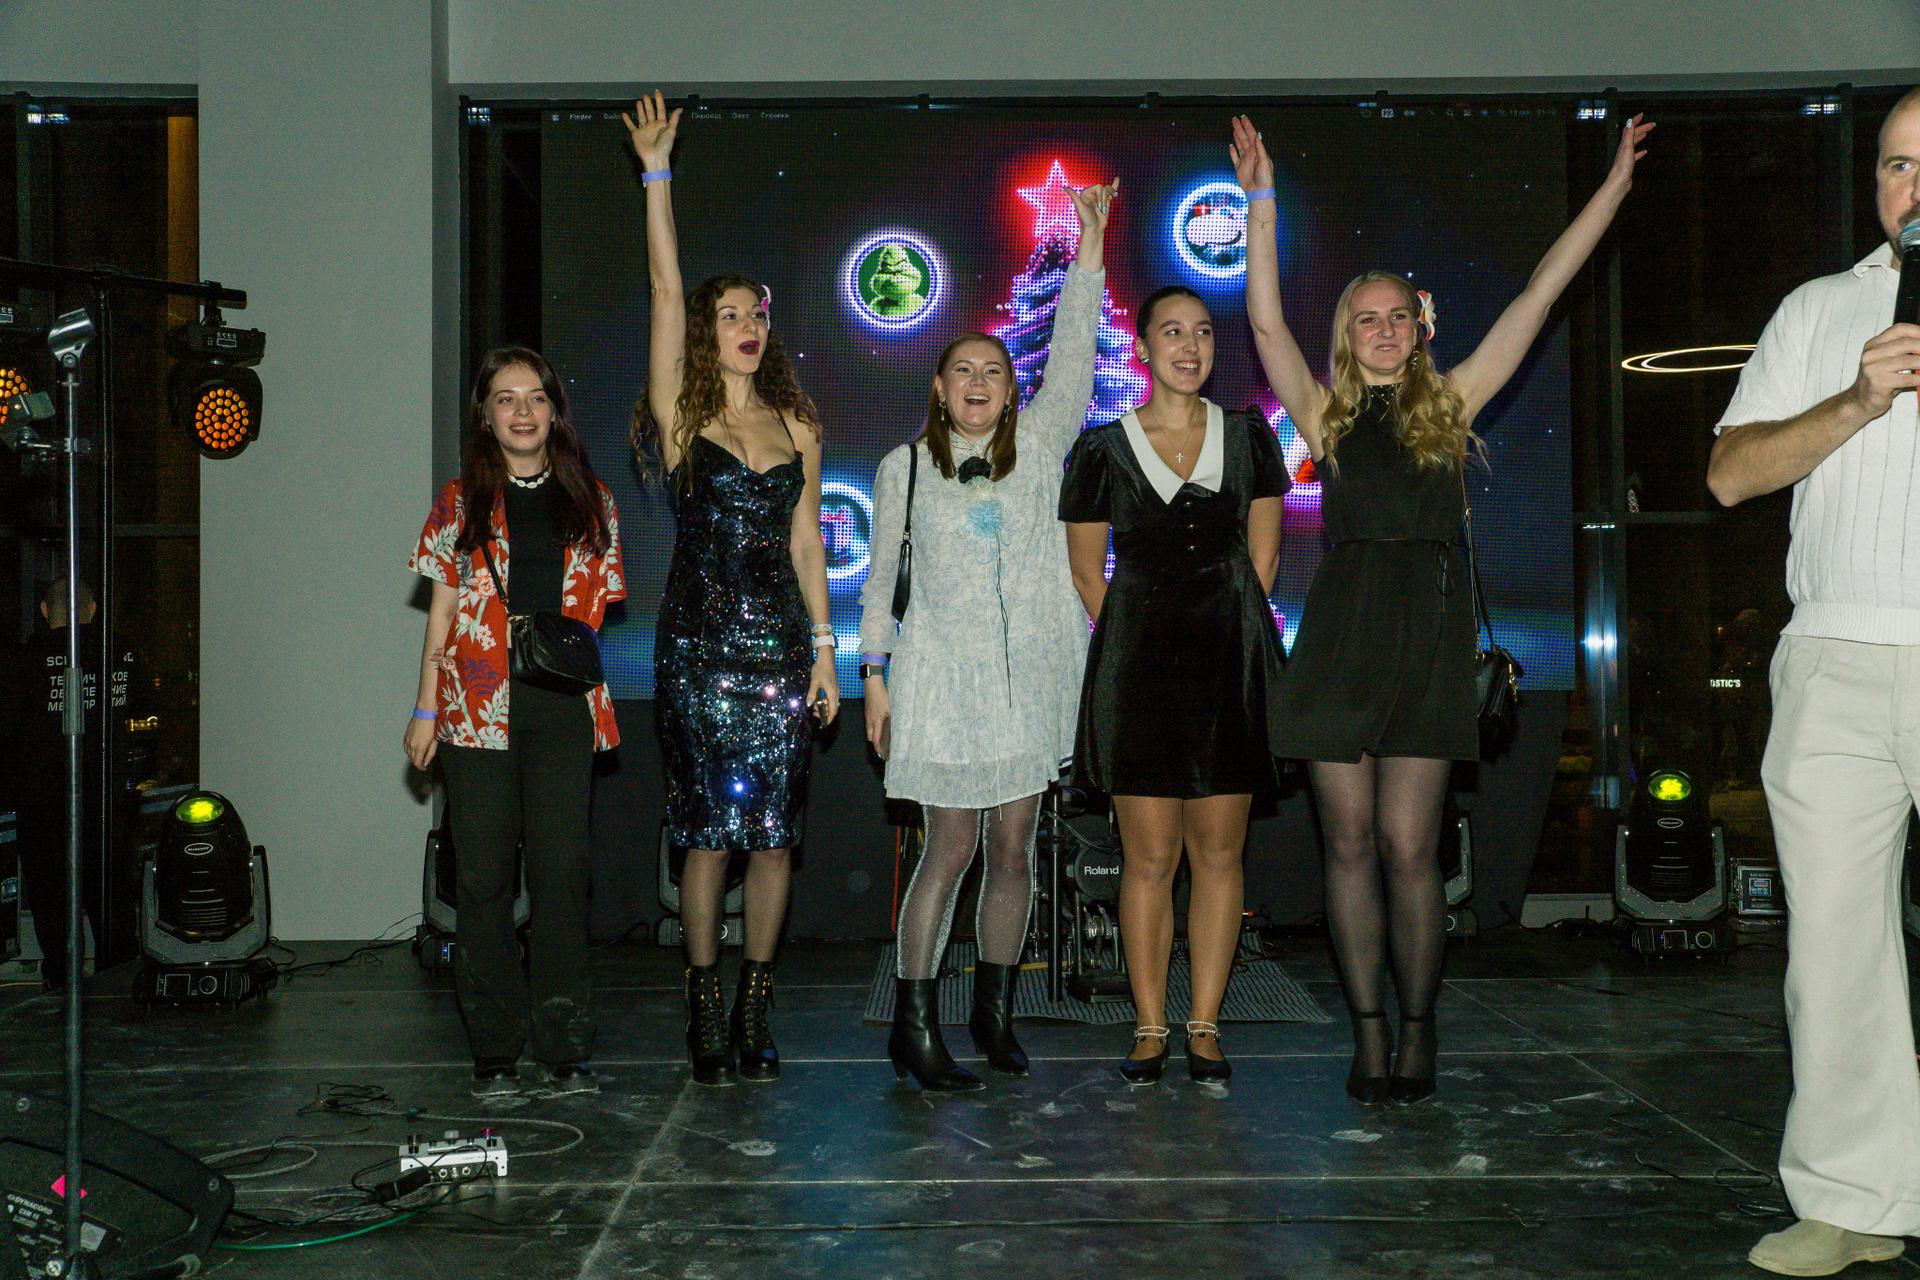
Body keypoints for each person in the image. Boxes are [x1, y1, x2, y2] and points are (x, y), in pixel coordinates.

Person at [1241, 111, 1653, 1106]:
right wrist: (1261, 198)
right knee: (1345, 845)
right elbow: (1264, 325)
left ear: (1419, 328)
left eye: (1398, 315)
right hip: (1341, 637)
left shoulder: (1455, 400)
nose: (1384, 329)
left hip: (1427, 637)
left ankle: (1420, 1033)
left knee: (1409, 847)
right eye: (1366, 318)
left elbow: (1540, 292)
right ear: (1349, 335)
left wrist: (1609, 192)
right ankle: (1368, 1036)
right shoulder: (1324, 413)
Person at [1706, 87, 1920, 1278]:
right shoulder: (1819, 309)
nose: (1912, 188)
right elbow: (1731, 473)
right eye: (1895, 165)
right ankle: (1852, 1199)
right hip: (1832, 653)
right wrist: (1856, 398)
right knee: (1833, 950)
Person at [859, 179, 1118, 1091]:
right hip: (943, 683)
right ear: (939, 387)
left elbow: (1075, 356)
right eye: (963, 370)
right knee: (951, 848)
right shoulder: (904, 467)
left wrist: (1091, 244)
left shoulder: (1041, 447)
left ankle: (995, 1015)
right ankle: (913, 1025)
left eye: (994, 372)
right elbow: (878, 583)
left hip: (1033, 682)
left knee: (1015, 847)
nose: (978, 382)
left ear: (1011, 392)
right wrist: (874, 677)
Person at [626, 92, 839, 1088]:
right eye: (730, 315)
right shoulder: (683, 419)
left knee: (776, 836)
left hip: (781, 652)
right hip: (700, 651)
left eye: (757, 313)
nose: (749, 325)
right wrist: (656, 173)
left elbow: (807, 542)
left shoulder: (799, 425)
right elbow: (665, 290)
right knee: (708, 833)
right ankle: (703, 1000)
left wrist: (827, 653)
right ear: (706, 334)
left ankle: (757, 1002)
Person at [1059, 284, 1290, 1085]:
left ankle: (1206, 1025)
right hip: (1139, 676)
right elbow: (1086, 574)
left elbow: (1263, 561)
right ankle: (1150, 1025)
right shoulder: (1102, 448)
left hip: (1229, 669)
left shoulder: (1249, 435)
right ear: (1144, 348)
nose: (1189, 347)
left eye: (1202, 333)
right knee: (1149, 858)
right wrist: (1142, 644)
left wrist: (1224, 638)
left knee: (1219, 853)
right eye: (1172, 332)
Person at [405, 346, 625, 1099]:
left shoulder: (593, 499)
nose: (522, 411)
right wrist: (425, 706)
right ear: (486, 416)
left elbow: (599, 609)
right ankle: (495, 1049)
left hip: (563, 705)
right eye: (506, 398)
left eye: (536, 397)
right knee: (484, 879)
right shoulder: (458, 499)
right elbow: (441, 611)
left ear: (555, 411)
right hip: (473, 706)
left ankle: (564, 1046)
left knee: (562, 875)